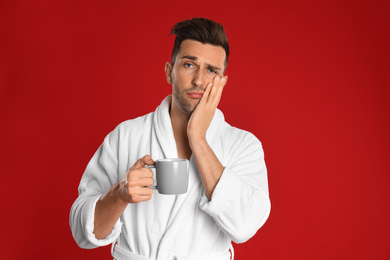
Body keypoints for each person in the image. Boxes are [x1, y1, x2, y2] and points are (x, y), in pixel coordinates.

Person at [70, 17, 271, 260]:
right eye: (189, 65)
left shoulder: (243, 146)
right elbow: (82, 232)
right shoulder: (126, 136)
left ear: (222, 81)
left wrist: (197, 137)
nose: (199, 80)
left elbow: (246, 225)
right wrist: (119, 194)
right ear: (169, 72)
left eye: (211, 70)